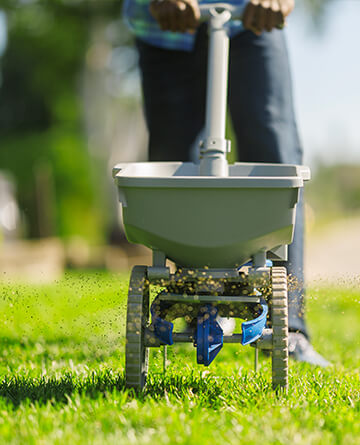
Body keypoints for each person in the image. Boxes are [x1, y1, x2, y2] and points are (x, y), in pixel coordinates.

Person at [122, 0, 329, 366]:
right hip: (167, 26)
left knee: (276, 155)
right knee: (173, 169)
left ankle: (290, 329)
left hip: (252, 17)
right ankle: (195, 298)